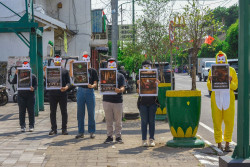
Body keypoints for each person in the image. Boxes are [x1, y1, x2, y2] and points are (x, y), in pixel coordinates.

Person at [207, 51, 238, 152]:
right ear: (216, 60)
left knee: (229, 122)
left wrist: (230, 80)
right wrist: (211, 80)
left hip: (229, 99)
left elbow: (235, 86)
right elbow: (209, 87)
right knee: (217, 122)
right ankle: (219, 143)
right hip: (216, 99)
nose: (220, 63)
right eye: (219, 61)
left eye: (222, 60)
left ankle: (227, 144)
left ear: (225, 59)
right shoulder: (212, 71)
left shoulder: (232, 70)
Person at [69, 51, 98, 139]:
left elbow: (96, 83)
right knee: (80, 113)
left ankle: (92, 132)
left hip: (90, 92)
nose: (86, 61)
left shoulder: (93, 71)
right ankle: (80, 132)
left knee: (91, 113)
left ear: (89, 61)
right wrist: (71, 65)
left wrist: (92, 86)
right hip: (80, 91)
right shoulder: (79, 69)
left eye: (87, 59)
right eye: (84, 59)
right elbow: (72, 75)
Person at [44, 55, 71, 135]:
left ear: (61, 61)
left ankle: (64, 129)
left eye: (58, 60)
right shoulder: (50, 70)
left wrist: (66, 88)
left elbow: (69, 82)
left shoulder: (65, 71)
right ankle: (53, 129)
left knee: (64, 111)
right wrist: (45, 72)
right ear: (53, 61)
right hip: (52, 93)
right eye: (56, 60)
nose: (57, 62)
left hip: (62, 93)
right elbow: (47, 80)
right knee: (52, 112)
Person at [136, 60, 159, 147]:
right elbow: (138, 91)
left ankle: (152, 139)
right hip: (143, 103)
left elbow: (157, 90)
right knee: (144, 122)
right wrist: (139, 85)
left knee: (152, 122)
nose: (146, 68)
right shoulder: (139, 77)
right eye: (145, 66)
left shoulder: (154, 75)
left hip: (153, 102)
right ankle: (144, 140)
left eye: (148, 66)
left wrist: (157, 84)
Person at [103, 58, 126, 144]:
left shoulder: (120, 76)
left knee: (118, 120)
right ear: (107, 66)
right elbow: (101, 85)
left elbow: (123, 87)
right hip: (106, 100)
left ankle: (118, 136)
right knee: (108, 120)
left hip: (118, 101)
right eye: (110, 65)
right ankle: (109, 136)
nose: (111, 66)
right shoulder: (104, 74)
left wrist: (119, 90)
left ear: (116, 65)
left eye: (113, 65)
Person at [11, 61, 37, 132]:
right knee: (22, 112)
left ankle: (31, 126)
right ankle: (22, 126)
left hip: (30, 96)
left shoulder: (33, 76)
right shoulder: (19, 75)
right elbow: (13, 82)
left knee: (31, 112)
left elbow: (36, 86)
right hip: (21, 96)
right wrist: (16, 74)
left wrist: (33, 88)